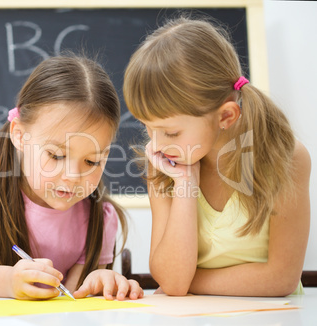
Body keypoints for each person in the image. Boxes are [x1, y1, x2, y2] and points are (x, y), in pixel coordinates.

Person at [0, 54, 143, 301]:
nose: (72, 177)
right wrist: (6, 282)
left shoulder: (99, 218)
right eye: (56, 155)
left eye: (92, 161)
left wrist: (99, 282)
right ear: (20, 136)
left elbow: (70, 303)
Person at [123, 15, 311, 297]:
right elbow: (173, 282)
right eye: (147, 128)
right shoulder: (163, 168)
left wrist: (188, 283)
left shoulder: (286, 157)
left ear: (225, 115)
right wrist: (185, 185)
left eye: (171, 133)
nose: (156, 145)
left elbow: (280, 278)